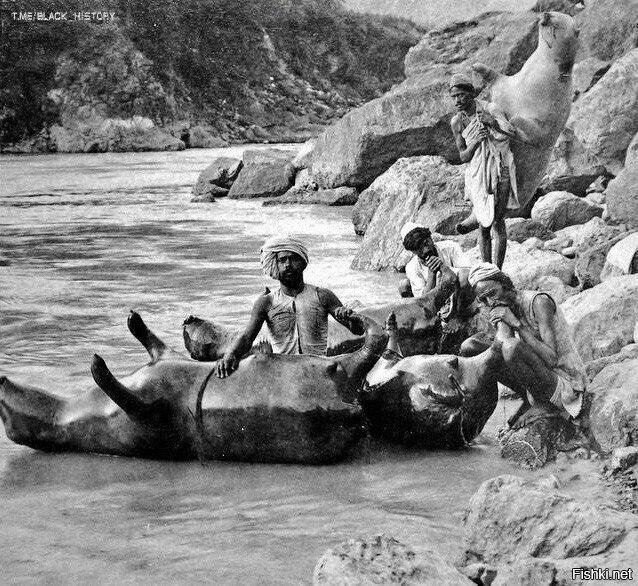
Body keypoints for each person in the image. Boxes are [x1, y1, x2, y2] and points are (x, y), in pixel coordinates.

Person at [215, 235, 363, 377]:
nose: (288, 265)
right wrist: (230, 355)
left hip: (318, 370)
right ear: (275, 264)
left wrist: (350, 317)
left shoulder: (323, 296)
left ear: (303, 262)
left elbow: (356, 330)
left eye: (293, 259)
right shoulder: (266, 302)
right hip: (282, 375)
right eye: (282, 260)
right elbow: (247, 338)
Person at [460, 262, 587, 428]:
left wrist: (516, 324)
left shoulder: (539, 302)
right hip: (542, 375)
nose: (491, 302)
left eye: (493, 293)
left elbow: (552, 359)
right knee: (470, 347)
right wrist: (503, 325)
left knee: (512, 347)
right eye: (484, 299)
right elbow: (498, 352)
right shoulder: (504, 305)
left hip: (565, 381)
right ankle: (528, 398)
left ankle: (544, 405)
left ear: (505, 283)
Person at [449, 73, 520, 269]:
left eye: (461, 95)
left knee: (496, 220)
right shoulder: (457, 122)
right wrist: (473, 144)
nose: (457, 101)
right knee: (483, 223)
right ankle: (487, 269)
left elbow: (511, 133)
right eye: (454, 97)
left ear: (471, 94)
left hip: (499, 167)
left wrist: (493, 123)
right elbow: (463, 156)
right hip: (477, 172)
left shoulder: (490, 109)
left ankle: (498, 269)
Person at [399, 222, 466, 304]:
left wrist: (443, 268)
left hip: (457, 292)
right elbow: (422, 302)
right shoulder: (411, 267)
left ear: (431, 238)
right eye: (419, 249)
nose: (426, 250)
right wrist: (432, 274)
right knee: (404, 285)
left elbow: (467, 272)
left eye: (426, 243)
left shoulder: (451, 247)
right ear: (413, 251)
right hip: (434, 300)